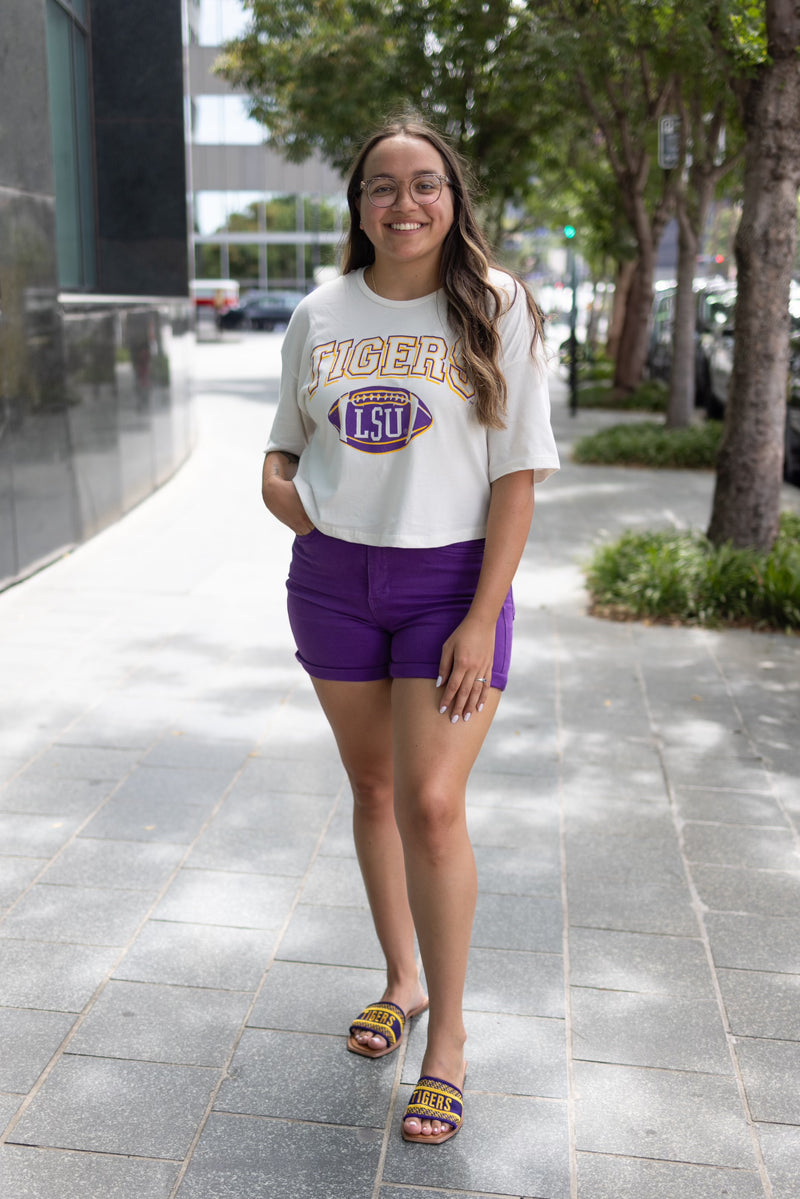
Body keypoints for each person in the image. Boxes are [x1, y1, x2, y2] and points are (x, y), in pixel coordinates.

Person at [261, 113, 559, 1144]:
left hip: (449, 583)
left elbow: (518, 476)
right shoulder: (318, 312)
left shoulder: (496, 306)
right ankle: (402, 980)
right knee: (374, 788)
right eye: (381, 186)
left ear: (451, 195)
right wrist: (276, 487)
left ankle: (450, 1041)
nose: (403, 202)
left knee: (432, 802)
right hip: (333, 579)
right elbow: (283, 449)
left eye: (423, 182)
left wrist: (482, 615)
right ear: (357, 205)